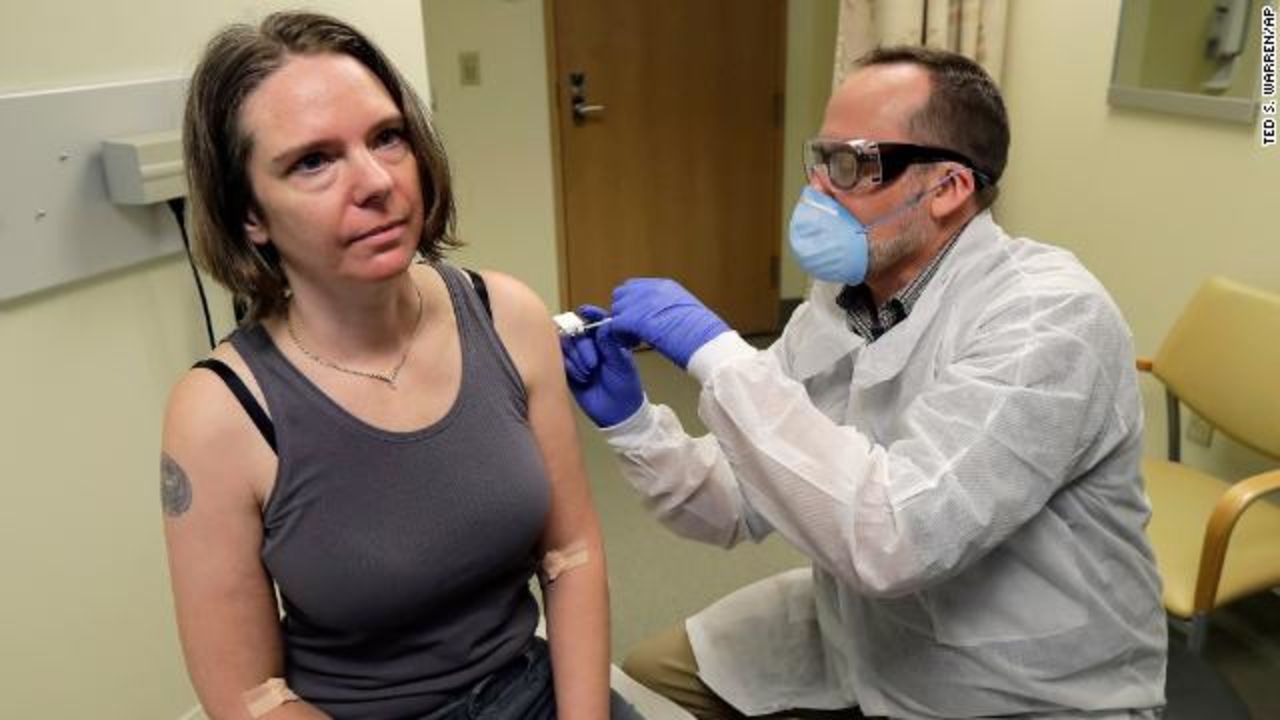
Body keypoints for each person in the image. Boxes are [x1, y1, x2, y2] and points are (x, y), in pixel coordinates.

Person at [562, 46, 1167, 719]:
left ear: (948, 188)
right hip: (861, 631)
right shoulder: (841, 299)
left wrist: (719, 356)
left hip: (1020, 681)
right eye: (820, 160)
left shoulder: (1048, 317)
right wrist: (634, 423)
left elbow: (896, 538)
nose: (817, 189)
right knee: (648, 675)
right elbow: (733, 501)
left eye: (850, 165)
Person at [161, 11, 639, 719]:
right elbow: (250, 697)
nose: (377, 181)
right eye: (312, 161)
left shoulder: (506, 316)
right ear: (249, 215)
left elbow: (570, 554)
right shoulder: (219, 414)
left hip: (531, 688)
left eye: (387, 138)